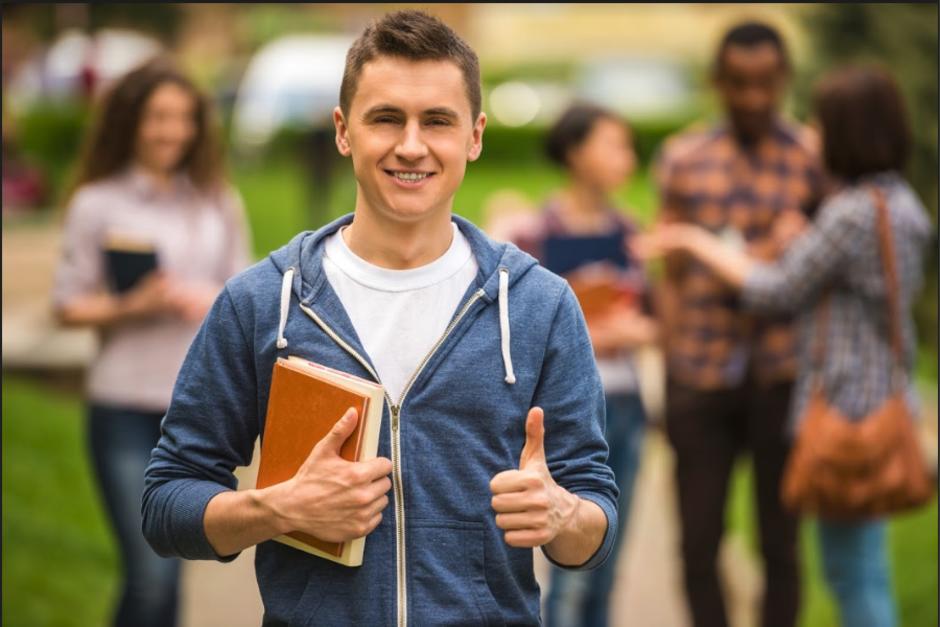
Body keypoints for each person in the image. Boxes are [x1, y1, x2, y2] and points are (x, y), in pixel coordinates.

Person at [142, 10, 618, 627]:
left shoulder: (539, 305)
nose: (411, 145)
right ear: (344, 131)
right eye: (386, 118)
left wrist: (563, 515)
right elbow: (166, 502)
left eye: (437, 121)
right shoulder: (261, 302)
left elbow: (592, 520)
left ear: (474, 136)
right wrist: (278, 509)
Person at [637, 65, 932, 627]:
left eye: (822, 122)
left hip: (848, 410)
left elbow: (774, 290)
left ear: (849, 130)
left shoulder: (851, 213)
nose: (811, 134)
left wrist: (695, 241)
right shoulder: (898, 202)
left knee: (853, 573)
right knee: (861, 566)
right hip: (883, 395)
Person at [52, 57, 252, 627]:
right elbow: (68, 305)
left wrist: (205, 296)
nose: (173, 131)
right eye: (158, 117)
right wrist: (132, 305)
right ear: (131, 121)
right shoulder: (97, 203)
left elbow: (246, 292)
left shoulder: (217, 200)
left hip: (197, 413)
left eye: (183, 118)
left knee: (174, 566)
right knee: (150, 575)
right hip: (123, 406)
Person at [652, 21, 824, 627]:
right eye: (739, 83)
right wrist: (671, 368)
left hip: (784, 373)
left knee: (781, 543)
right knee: (698, 541)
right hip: (700, 373)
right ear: (718, 82)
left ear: (784, 80)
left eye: (766, 83)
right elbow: (669, 274)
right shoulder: (683, 158)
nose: (753, 97)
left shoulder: (813, 157)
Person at [508, 103, 657, 627]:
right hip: (566, 415)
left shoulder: (628, 231)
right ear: (575, 153)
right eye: (614, 145)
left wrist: (636, 330)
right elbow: (520, 332)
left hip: (627, 406)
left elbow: (652, 318)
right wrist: (591, 334)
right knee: (570, 572)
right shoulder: (534, 235)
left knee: (608, 558)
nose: (627, 158)